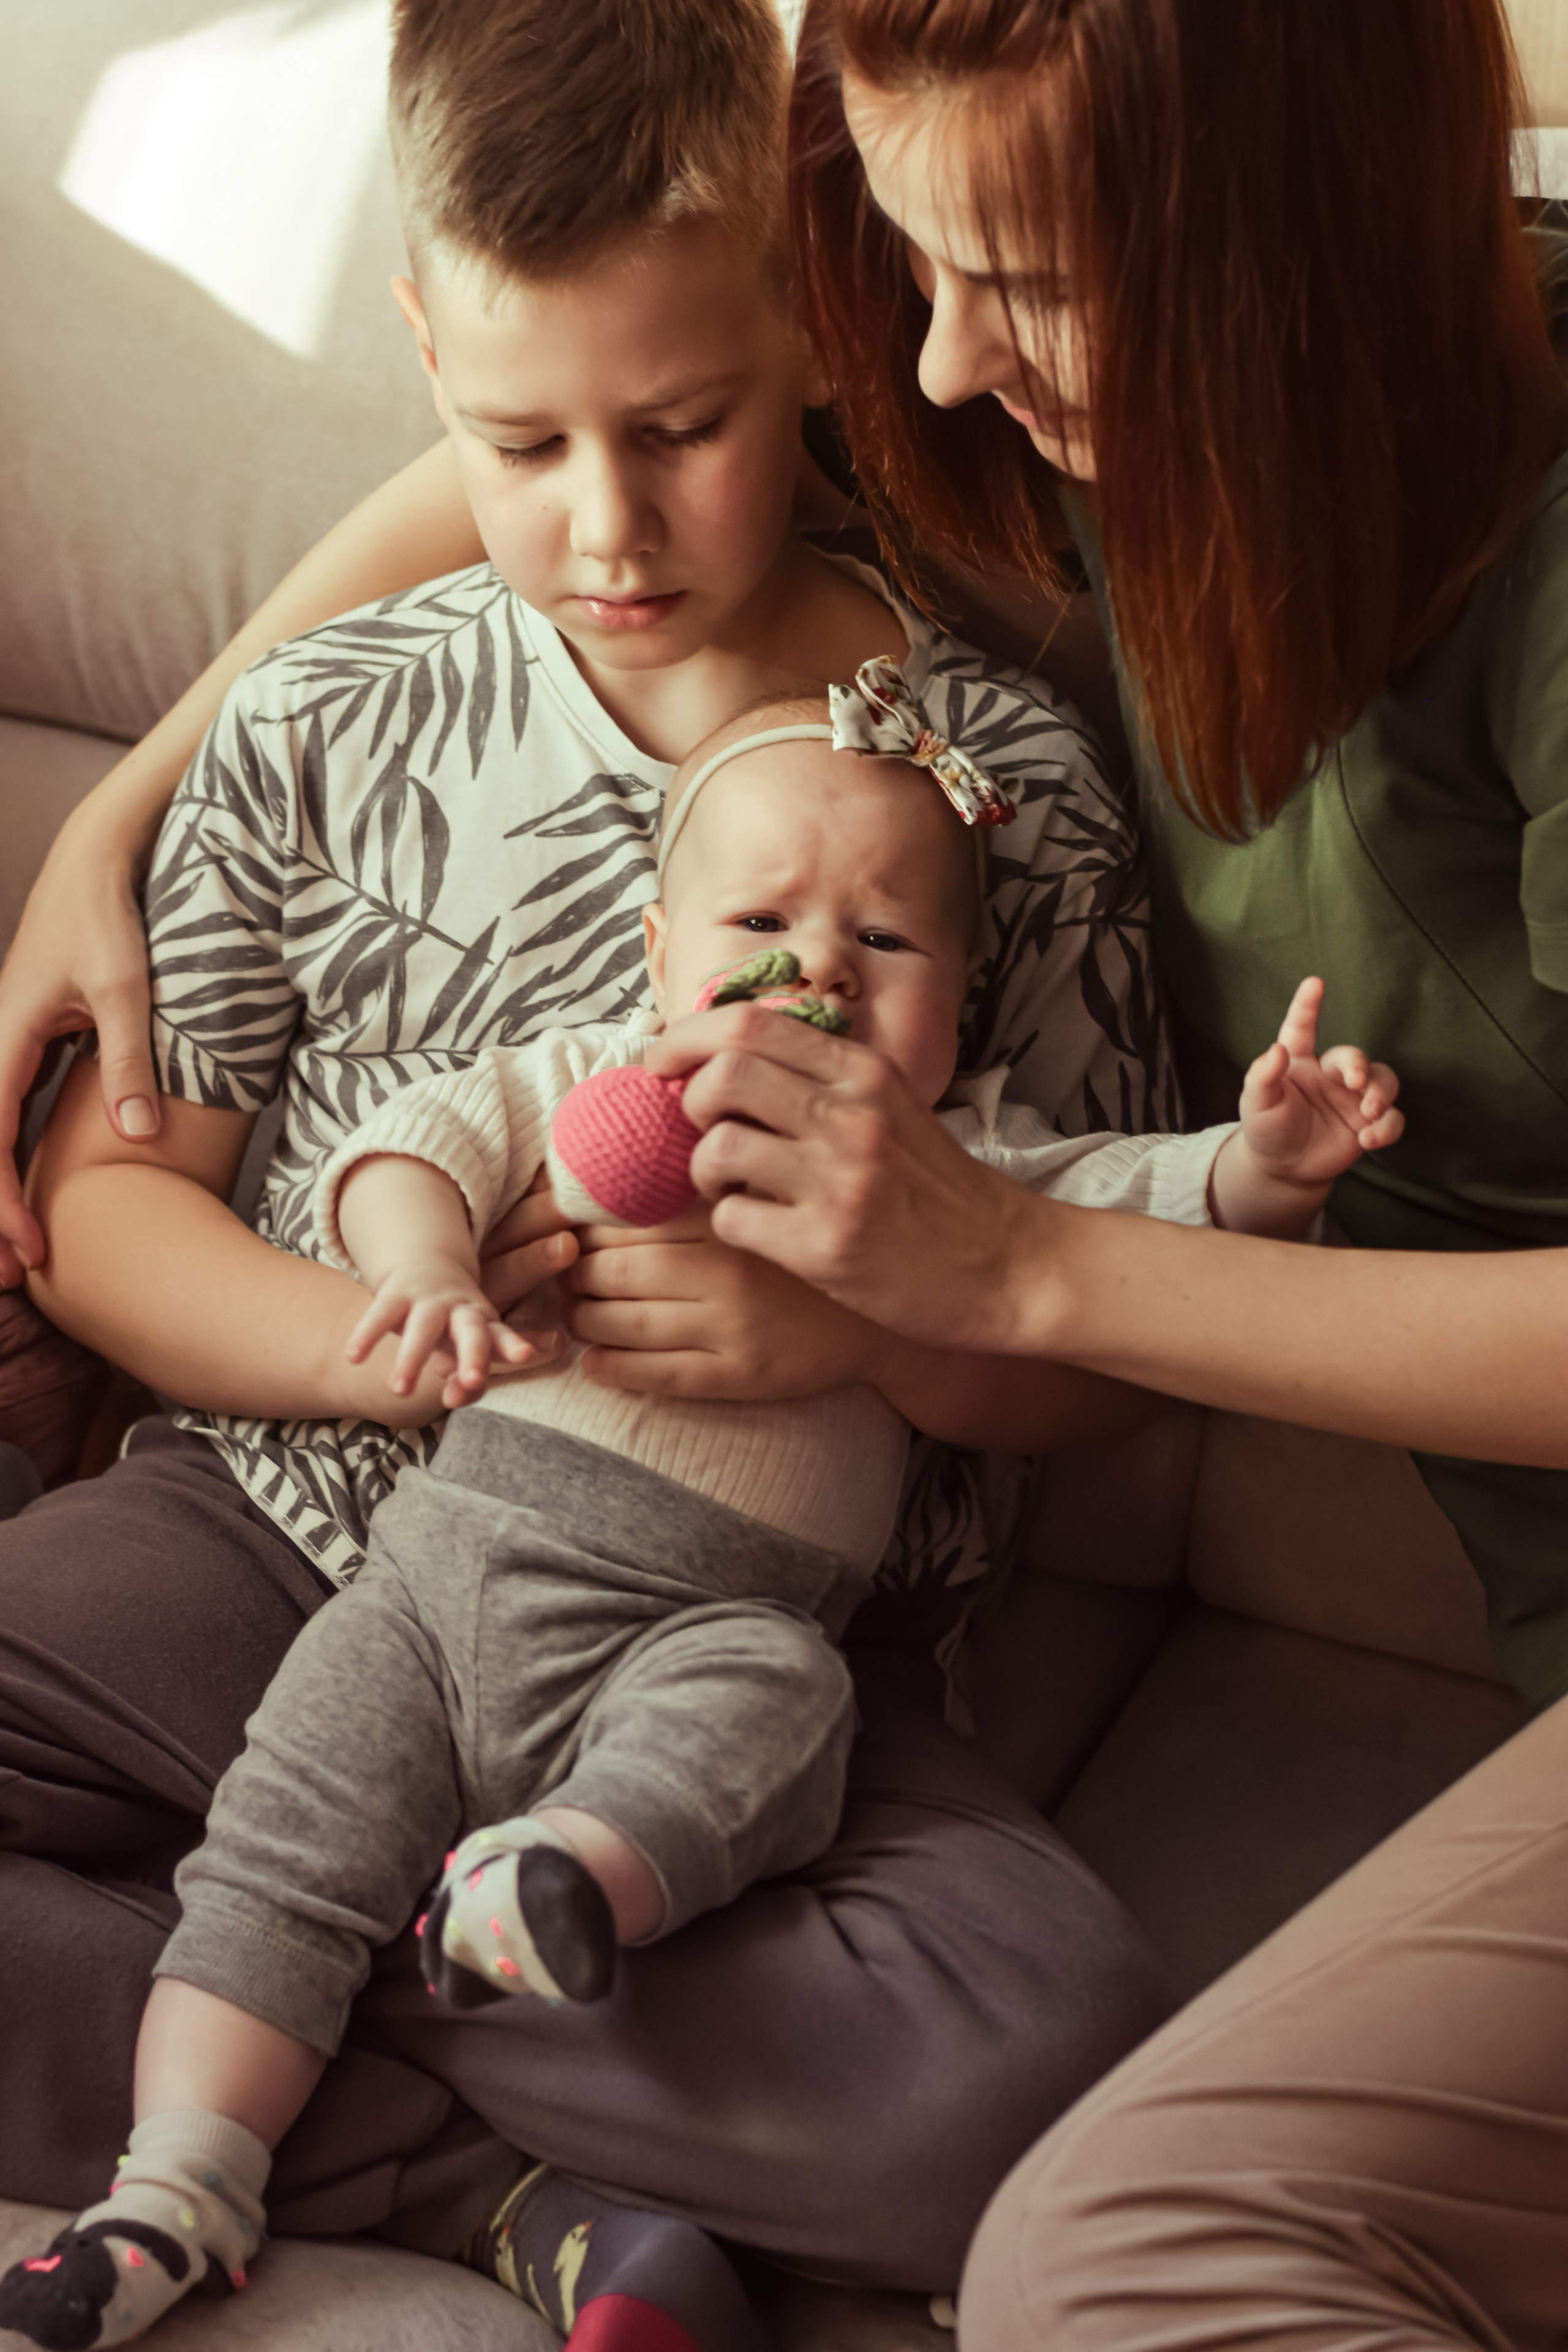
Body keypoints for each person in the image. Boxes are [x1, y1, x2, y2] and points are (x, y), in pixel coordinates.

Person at [0, 0, 1185, 2323]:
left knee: (1030, 2079)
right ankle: (474, 2179)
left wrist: (860, 1308)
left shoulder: (997, 784)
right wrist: (407, 1347)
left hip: (738, 1639)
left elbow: (1102, 1352)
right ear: (422, 346)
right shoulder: (332, 712)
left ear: (821, 339)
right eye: (518, 439)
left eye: (686, 425)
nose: (606, 523)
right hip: (278, 1529)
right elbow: (111, 1220)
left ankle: (283, 1975)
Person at [0, 680, 1403, 2351]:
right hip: (434, 1583)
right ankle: (199, 2176)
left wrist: (1267, 1174)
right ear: (663, 949)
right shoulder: (592, 1077)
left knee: (774, 1721)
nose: (813, 969)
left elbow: (1141, 1211)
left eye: (885, 943)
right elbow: (407, 1148)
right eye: (760, 921)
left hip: (713, 1629)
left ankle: (541, 1883)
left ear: (963, 1009)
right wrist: (427, 1283)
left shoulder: (959, 1172)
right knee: (303, 1821)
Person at [603, 0, 1568, 2344]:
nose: (934, 369)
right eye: (918, 267)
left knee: (1114, 2257)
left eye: (1016, 285)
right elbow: (588, 403)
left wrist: (1014, 1264)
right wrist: (128, 806)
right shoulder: (1130, 407)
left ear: (1286, 256)